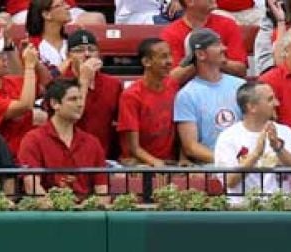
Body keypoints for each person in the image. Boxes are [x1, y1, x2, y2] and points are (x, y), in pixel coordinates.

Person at [213, 81, 291, 202]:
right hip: (243, 211)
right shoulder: (228, 137)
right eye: (270, 99)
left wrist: (278, 148)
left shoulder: (285, 132)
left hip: (282, 208)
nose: (277, 103)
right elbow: (229, 181)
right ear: (252, 107)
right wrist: (256, 154)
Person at [19, 77, 107, 196]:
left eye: (81, 99)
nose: (80, 104)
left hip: (86, 211)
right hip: (48, 211)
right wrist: (56, 211)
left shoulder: (92, 142)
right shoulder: (33, 140)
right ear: (55, 104)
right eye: (73, 99)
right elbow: (32, 187)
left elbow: (102, 191)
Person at [173, 28, 246, 163]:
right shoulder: (187, 95)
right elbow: (190, 146)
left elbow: (255, 128)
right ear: (201, 54)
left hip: (247, 164)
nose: (224, 48)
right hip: (211, 167)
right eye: (217, 45)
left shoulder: (241, 86)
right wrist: (227, 162)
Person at [118, 38, 179, 166]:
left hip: (169, 162)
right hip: (139, 163)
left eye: (170, 56)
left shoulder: (173, 86)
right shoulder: (131, 95)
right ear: (146, 62)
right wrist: (157, 164)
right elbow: (134, 148)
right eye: (163, 57)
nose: (170, 61)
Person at [63, 30, 122, 159]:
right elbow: (71, 118)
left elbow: (120, 125)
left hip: (104, 157)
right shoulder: (59, 83)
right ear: (68, 55)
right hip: (69, 157)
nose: (87, 54)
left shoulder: (113, 84)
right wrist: (84, 80)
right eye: (79, 50)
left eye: (92, 49)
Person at [163, 0, 249, 80]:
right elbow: (171, 78)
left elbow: (241, 70)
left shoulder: (227, 24)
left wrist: (213, 58)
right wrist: (201, 59)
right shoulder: (172, 33)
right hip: (188, 91)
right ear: (189, 1)